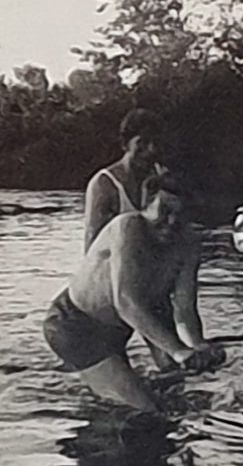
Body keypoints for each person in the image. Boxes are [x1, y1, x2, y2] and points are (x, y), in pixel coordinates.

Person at [44, 173, 207, 413]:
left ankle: (112, 387)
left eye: (180, 215)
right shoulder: (128, 227)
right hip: (76, 326)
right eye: (164, 211)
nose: (171, 222)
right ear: (145, 207)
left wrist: (198, 346)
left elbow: (185, 307)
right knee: (146, 409)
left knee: (177, 391)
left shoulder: (189, 243)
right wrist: (177, 350)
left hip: (121, 329)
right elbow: (126, 302)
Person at [83, 108, 165, 253]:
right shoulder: (104, 184)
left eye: (156, 142)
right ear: (125, 144)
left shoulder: (165, 179)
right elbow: (92, 248)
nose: (151, 150)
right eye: (142, 142)